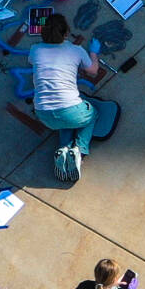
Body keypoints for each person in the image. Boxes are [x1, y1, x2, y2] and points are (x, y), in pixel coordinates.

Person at [29, 14, 100, 180]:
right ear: (66, 33)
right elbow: (93, 71)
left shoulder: (35, 49)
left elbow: (33, 62)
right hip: (70, 111)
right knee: (92, 114)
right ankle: (80, 151)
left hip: (44, 115)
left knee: (64, 121)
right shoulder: (76, 50)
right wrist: (94, 53)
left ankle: (64, 148)